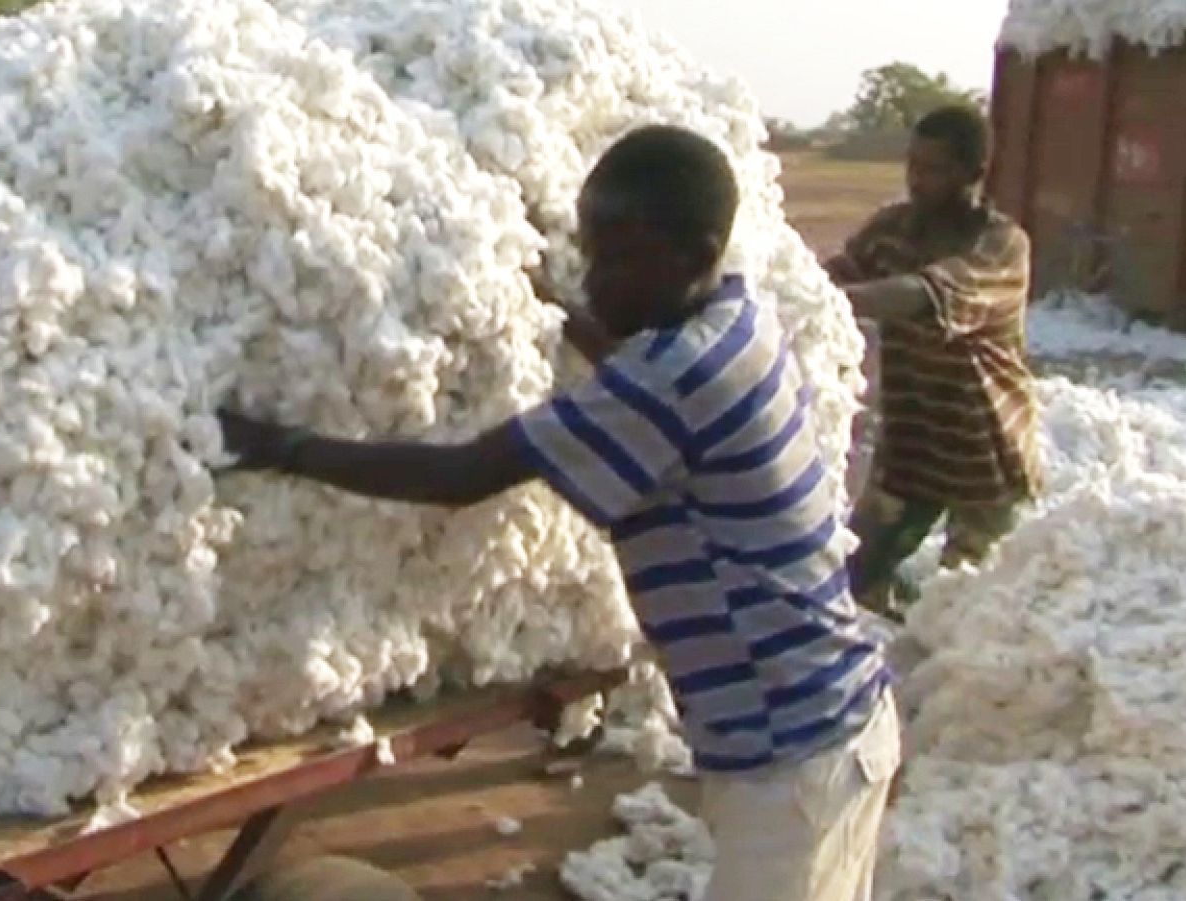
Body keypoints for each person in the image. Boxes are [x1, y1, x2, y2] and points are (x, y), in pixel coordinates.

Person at [220, 125, 901, 901]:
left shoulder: (672, 376)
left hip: (793, 756)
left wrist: (284, 446)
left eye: (614, 260)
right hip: (830, 723)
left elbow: (464, 473)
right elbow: (632, 370)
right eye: (588, 253)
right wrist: (560, 309)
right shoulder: (734, 325)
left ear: (692, 251)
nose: (595, 278)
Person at [826, 105, 1040, 618]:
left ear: (973, 174)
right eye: (912, 166)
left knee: (968, 608)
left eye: (934, 170)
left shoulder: (1000, 245)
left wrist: (832, 302)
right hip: (914, 443)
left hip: (984, 451)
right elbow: (833, 273)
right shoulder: (892, 229)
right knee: (853, 578)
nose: (917, 181)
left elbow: (921, 295)